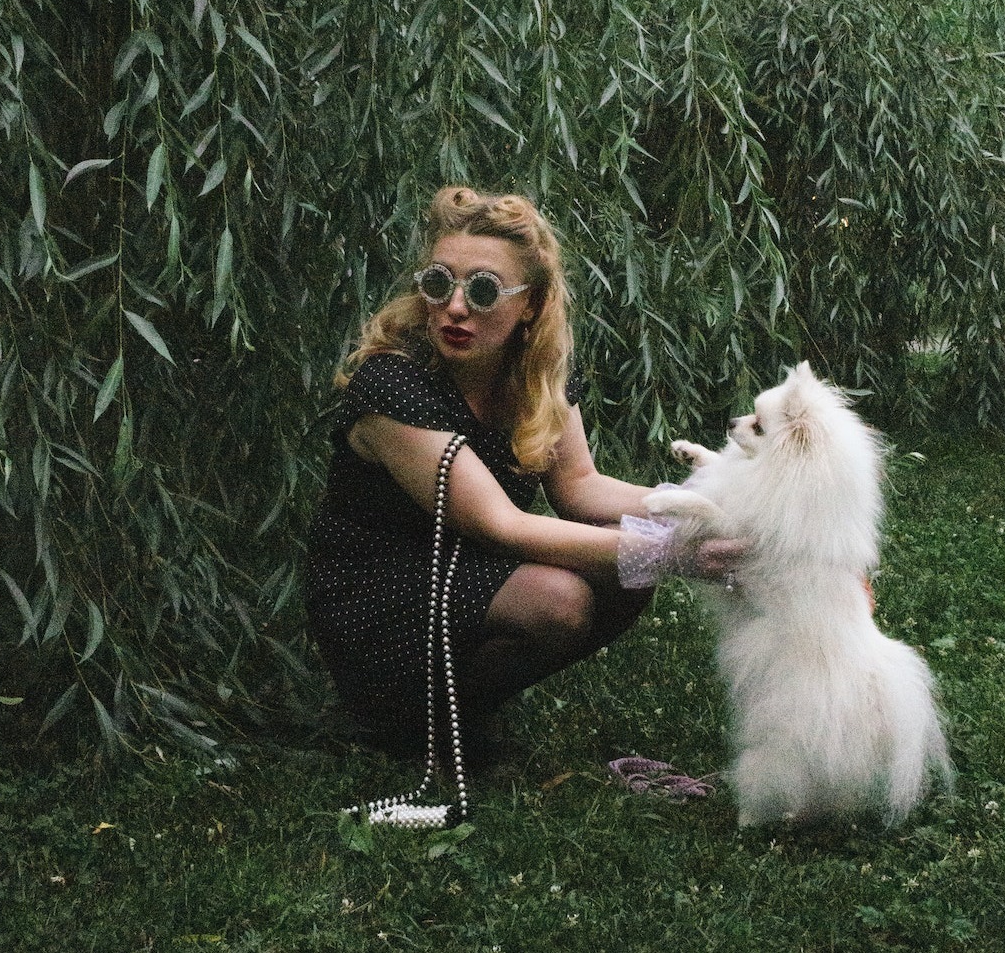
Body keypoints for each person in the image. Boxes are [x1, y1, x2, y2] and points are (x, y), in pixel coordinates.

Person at [304, 186, 740, 760]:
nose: (455, 307)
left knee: (626, 573)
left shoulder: (535, 374)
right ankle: (403, 722)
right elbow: (499, 525)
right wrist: (681, 552)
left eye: (483, 290)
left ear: (530, 303)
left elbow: (581, 488)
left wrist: (715, 510)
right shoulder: (393, 385)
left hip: (468, 569)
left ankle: (456, 716)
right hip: (378, 588)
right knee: (562, 598)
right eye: (438, 282)